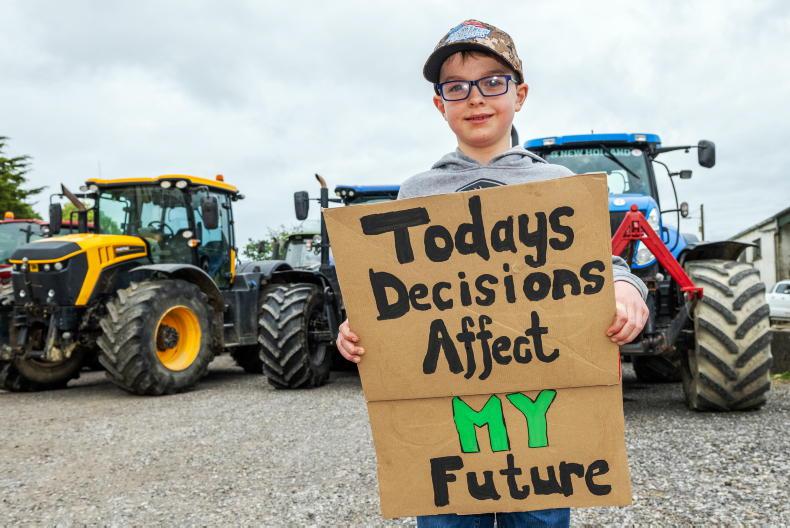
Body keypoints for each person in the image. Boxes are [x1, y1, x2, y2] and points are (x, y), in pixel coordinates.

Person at [336, 20, 649, 528]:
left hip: (541, 416)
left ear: (519, 95)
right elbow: (389, 290)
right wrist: (359, 329)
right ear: (440, 104)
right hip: (446, 421)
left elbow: (601, 263)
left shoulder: (557, 184)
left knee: (540, 520)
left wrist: (626, 287)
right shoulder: (415, 193)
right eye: (456, 87)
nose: (476, 98)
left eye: (492, 81)